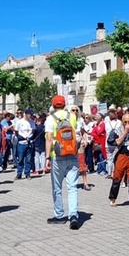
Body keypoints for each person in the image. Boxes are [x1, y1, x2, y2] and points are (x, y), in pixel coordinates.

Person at [45, 95, 83, 229]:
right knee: (72, 187)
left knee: (57, 187)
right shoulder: (72, 116)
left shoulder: (50, 119)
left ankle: (59, 215)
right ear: (64, 104)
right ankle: (73, 215)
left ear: (53, 105)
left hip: (57, 155)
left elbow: (49, 139)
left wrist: (47, 157)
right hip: (72, 154)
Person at [108, 112, 129, 209]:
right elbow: (117, 142)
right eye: (125, 122)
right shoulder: (117, 130)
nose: (127, 124)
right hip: (121, 157)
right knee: (117, 179)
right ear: (122, 122)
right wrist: (125, 132)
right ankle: (113, 198)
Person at [14, 108, 35, 180]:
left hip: (29, 142)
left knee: (28, 159)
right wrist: (20, 137)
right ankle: (19, 173)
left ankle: (27, 173)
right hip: (21, 143)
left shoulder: (32, 122)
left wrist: (31, 138)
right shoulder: (20, 122)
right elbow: (16, 131)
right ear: (26, 114)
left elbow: (33, 130)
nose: (31, 116)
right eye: (30, 114)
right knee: (20, 159)